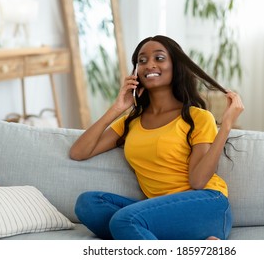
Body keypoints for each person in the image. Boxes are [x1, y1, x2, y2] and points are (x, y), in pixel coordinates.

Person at [69, 35, 244, 240]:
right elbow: (79, 152)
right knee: (88, 204)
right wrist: (117, 107)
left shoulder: (197, 117)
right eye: (141, 61)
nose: (149, 64)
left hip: (206, 205)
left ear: (175, 66)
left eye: (159, 58)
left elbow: (197, 181)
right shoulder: (131, 121)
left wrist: (226, 125)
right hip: (158, 213)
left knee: (123, 220)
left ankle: (143, 235)